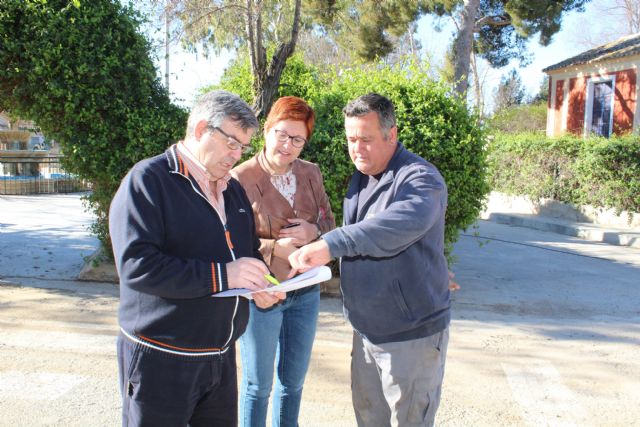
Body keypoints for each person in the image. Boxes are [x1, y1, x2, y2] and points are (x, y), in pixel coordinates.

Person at [109, 90, 284, 427]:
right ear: (202, 128)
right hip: (161, 358)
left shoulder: (233, 190)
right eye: (232, 143)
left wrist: (260, 286)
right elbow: (136, 266)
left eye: (243, 147)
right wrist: (224, 276)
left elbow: (243, 255)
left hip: (219, 358)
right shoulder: (148, 181)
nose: (237, 155)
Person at [289, 93, 451, 427]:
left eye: (366, 139)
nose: (356, 148)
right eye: (351, 139)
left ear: (391, 135)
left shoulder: (420, 178)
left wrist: (331, 244)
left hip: (411, 334)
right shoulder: (361, 177)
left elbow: (400, 223)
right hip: (366, 330)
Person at [231, 96, 336, 427]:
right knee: (257, 386)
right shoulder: (239, 179)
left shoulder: (311, 174)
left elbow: (331, 225)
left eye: (298, 139)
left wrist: (313, 228)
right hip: (262, 292)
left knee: (293, 383)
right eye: (281, 134)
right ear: (266, 130)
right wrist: (273, 248)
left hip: (306, 292)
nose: (288, 145)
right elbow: (229, 241)